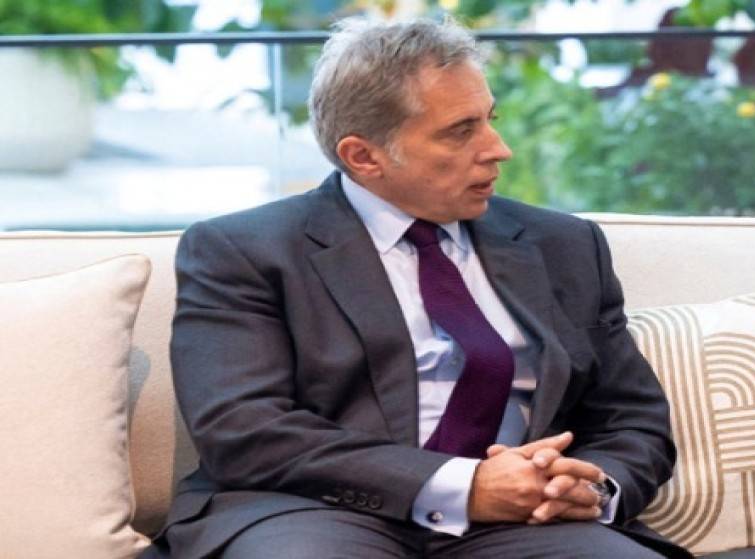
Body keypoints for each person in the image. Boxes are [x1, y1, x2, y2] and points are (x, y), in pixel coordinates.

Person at [142, 17, 690, 559]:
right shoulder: (245, 250)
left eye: (490, 119)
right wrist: (461, 486)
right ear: (364, 156)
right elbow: (243, 428)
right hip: (313, 510)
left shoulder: (565, 245)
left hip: (529, 520)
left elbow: (631, 417)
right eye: (461, 131)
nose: (498, 148)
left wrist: (591, 486)